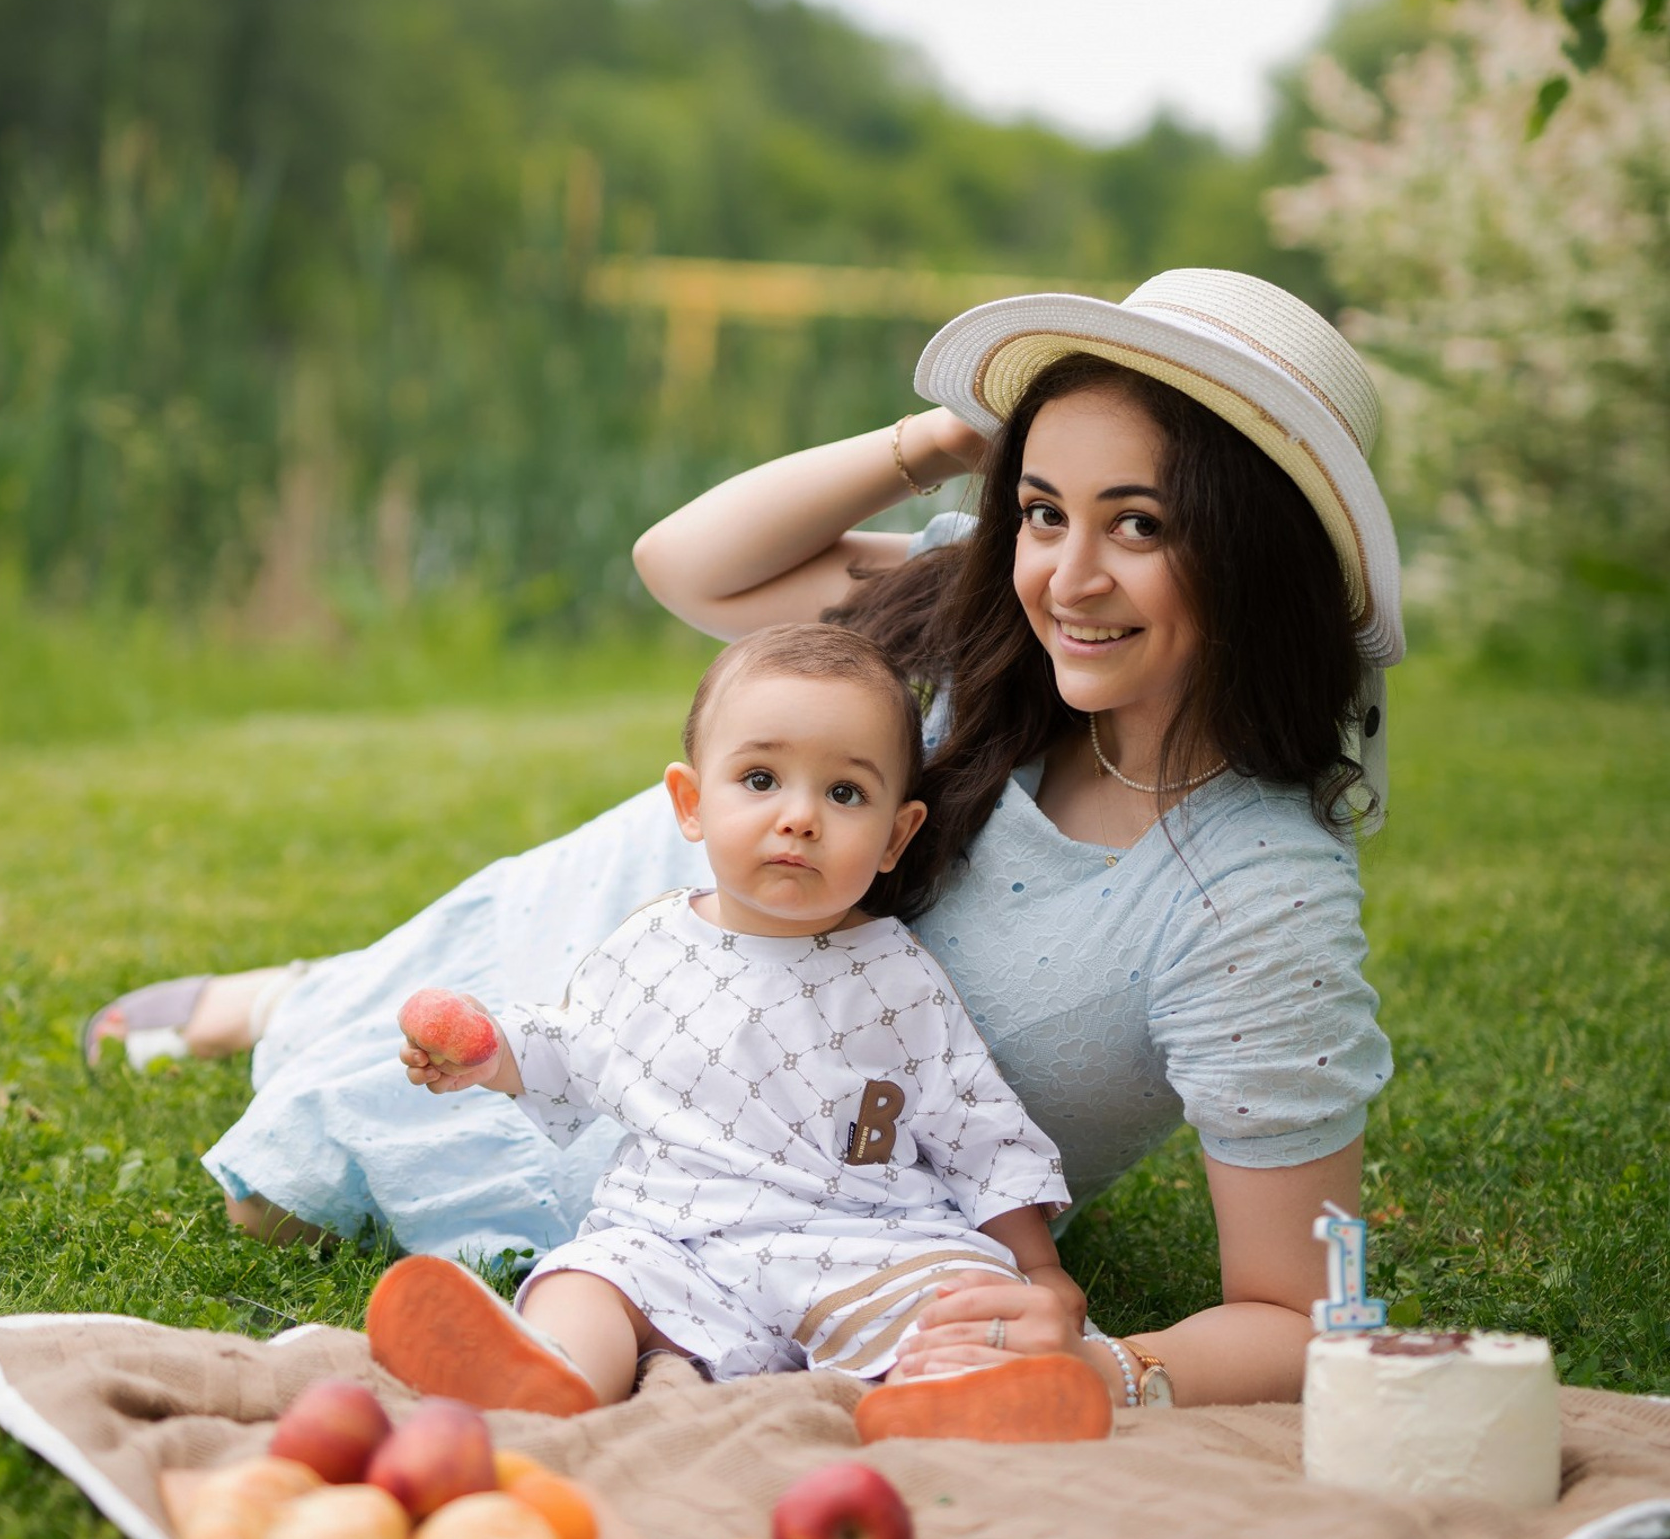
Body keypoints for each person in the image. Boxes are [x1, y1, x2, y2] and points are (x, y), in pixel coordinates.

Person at [87, 267, 1403, 1416]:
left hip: (793, 1192)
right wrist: (953, 441)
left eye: (1142, 524)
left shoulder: (1257, 905)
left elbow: (1308, 1311)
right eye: (1047, 511)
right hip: (659, 928)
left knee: (314, 1189)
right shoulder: (990, 609)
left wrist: (1114, 1371)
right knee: (324, 1120)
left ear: (1258, 554)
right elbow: (689, 566)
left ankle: (306, 1000)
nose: (1067, 579)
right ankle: (296, 992)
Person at [369, 622, 1078, 1421]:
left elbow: (975, 1124)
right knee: (588, 1279)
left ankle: (948, 1394)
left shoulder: (898, 975)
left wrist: (1036, 1269)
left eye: (845, 794)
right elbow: (574, 1050)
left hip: (861, 1240)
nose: (801, 817)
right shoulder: (651, 945)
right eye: (761, 779)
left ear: (896, 836)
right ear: (692, 803)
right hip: (674, 1238)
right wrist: (485, 1053)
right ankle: (552, 1372)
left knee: (958, 1295)